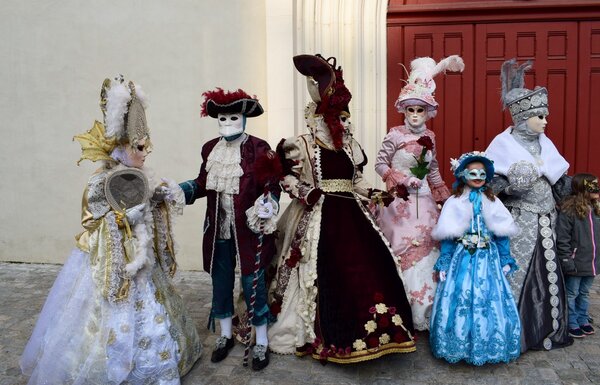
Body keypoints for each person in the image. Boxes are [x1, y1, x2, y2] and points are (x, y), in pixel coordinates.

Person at [20, 75, 202, 385]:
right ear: (123, 146)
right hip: (112, 265)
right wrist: (122, 217)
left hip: (142, 262)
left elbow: (146, 203)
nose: (146, 153)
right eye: (140, 147)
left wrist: (158, 198)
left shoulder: (140, 175)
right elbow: (93, 219)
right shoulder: (101, 180)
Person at [267, 54, 416, 364]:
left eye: (340, 117)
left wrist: (377, 193)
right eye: (333, 117)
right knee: (327, 267)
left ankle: (381, 329)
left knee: (369, 263)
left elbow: (356, 180)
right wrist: (305, 192)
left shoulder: (349, 144)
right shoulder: (302, 144)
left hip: (353, 215)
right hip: (318, 214)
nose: (339, 122)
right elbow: (288, 176)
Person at [179, 88, 280, 371]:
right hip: (218, 229)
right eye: (221, 117)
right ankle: (224, 336)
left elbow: (271, 184)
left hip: (248, 229)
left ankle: (261, 340)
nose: (226, 122)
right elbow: (202, 183)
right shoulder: (210, 148)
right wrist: (180, 190)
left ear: (244, 118)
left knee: (253, 284)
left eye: (233, 117)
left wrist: (268, 203)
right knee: (220, 283)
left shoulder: (259, 148)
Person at [485, 58, 573, 351]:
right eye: (541, 117)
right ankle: (514, 330)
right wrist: (511, 186)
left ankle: (546, 328)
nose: (546, 122)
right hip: (520, 219)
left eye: (546, 116)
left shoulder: (546, 144)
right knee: (519, 271)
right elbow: (489, 185)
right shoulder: (502, 145)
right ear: (523, 118)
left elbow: (560, 180)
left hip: (547, 219)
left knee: (548, 270)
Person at [374, 55, 463, 330]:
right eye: (410, 110)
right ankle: (404, 308)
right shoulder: (394, 135)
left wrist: (441, 193)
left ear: (428, 112)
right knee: (403, 244)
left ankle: (430, 310)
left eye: (420, 111)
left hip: (423, 201)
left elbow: (433, 167)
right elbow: (380, 164)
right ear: (403, 110)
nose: (414, 116)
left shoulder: (431, 137)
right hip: (399, 203)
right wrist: (400, 180)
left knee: (429, 245)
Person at [430, 151, 521, 365]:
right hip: (462, 258)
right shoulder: (454, 202)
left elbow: (501, 233)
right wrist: (444, 260)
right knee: (461, 296)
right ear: (463, 175)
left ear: (487, 177)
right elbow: (448, 236)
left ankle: (489, 344)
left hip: (488, 258)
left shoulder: (493, 201)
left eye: (482, 173)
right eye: (473, 173)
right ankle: (459, 343)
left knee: (489, 298)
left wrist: (505, 258)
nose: (478, 177)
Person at [556, 174, 600, 338]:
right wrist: (567, 259)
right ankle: (571, 321)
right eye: (592, 186)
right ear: (582, 188)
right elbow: (563, 238)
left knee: (585, 292)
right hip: (575, 262)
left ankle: (583, 320)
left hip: (592, 262)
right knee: (572, 293)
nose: (597, 189)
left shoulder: (597, 209)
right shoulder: (570, 211)